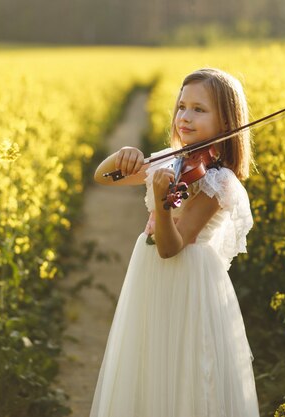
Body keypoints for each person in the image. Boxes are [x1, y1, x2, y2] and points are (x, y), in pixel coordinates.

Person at [90, 68, 260, 417]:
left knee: (187, 370)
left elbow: (171, 247)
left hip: (188, 281)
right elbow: (103, 176)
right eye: (182, 106)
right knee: (150, 361)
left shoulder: (218, 181)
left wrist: (162, 202)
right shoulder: (171, 160)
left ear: (227, 122)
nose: (185, 116)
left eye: (200, 109)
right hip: (151, 278)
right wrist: (122, 154)